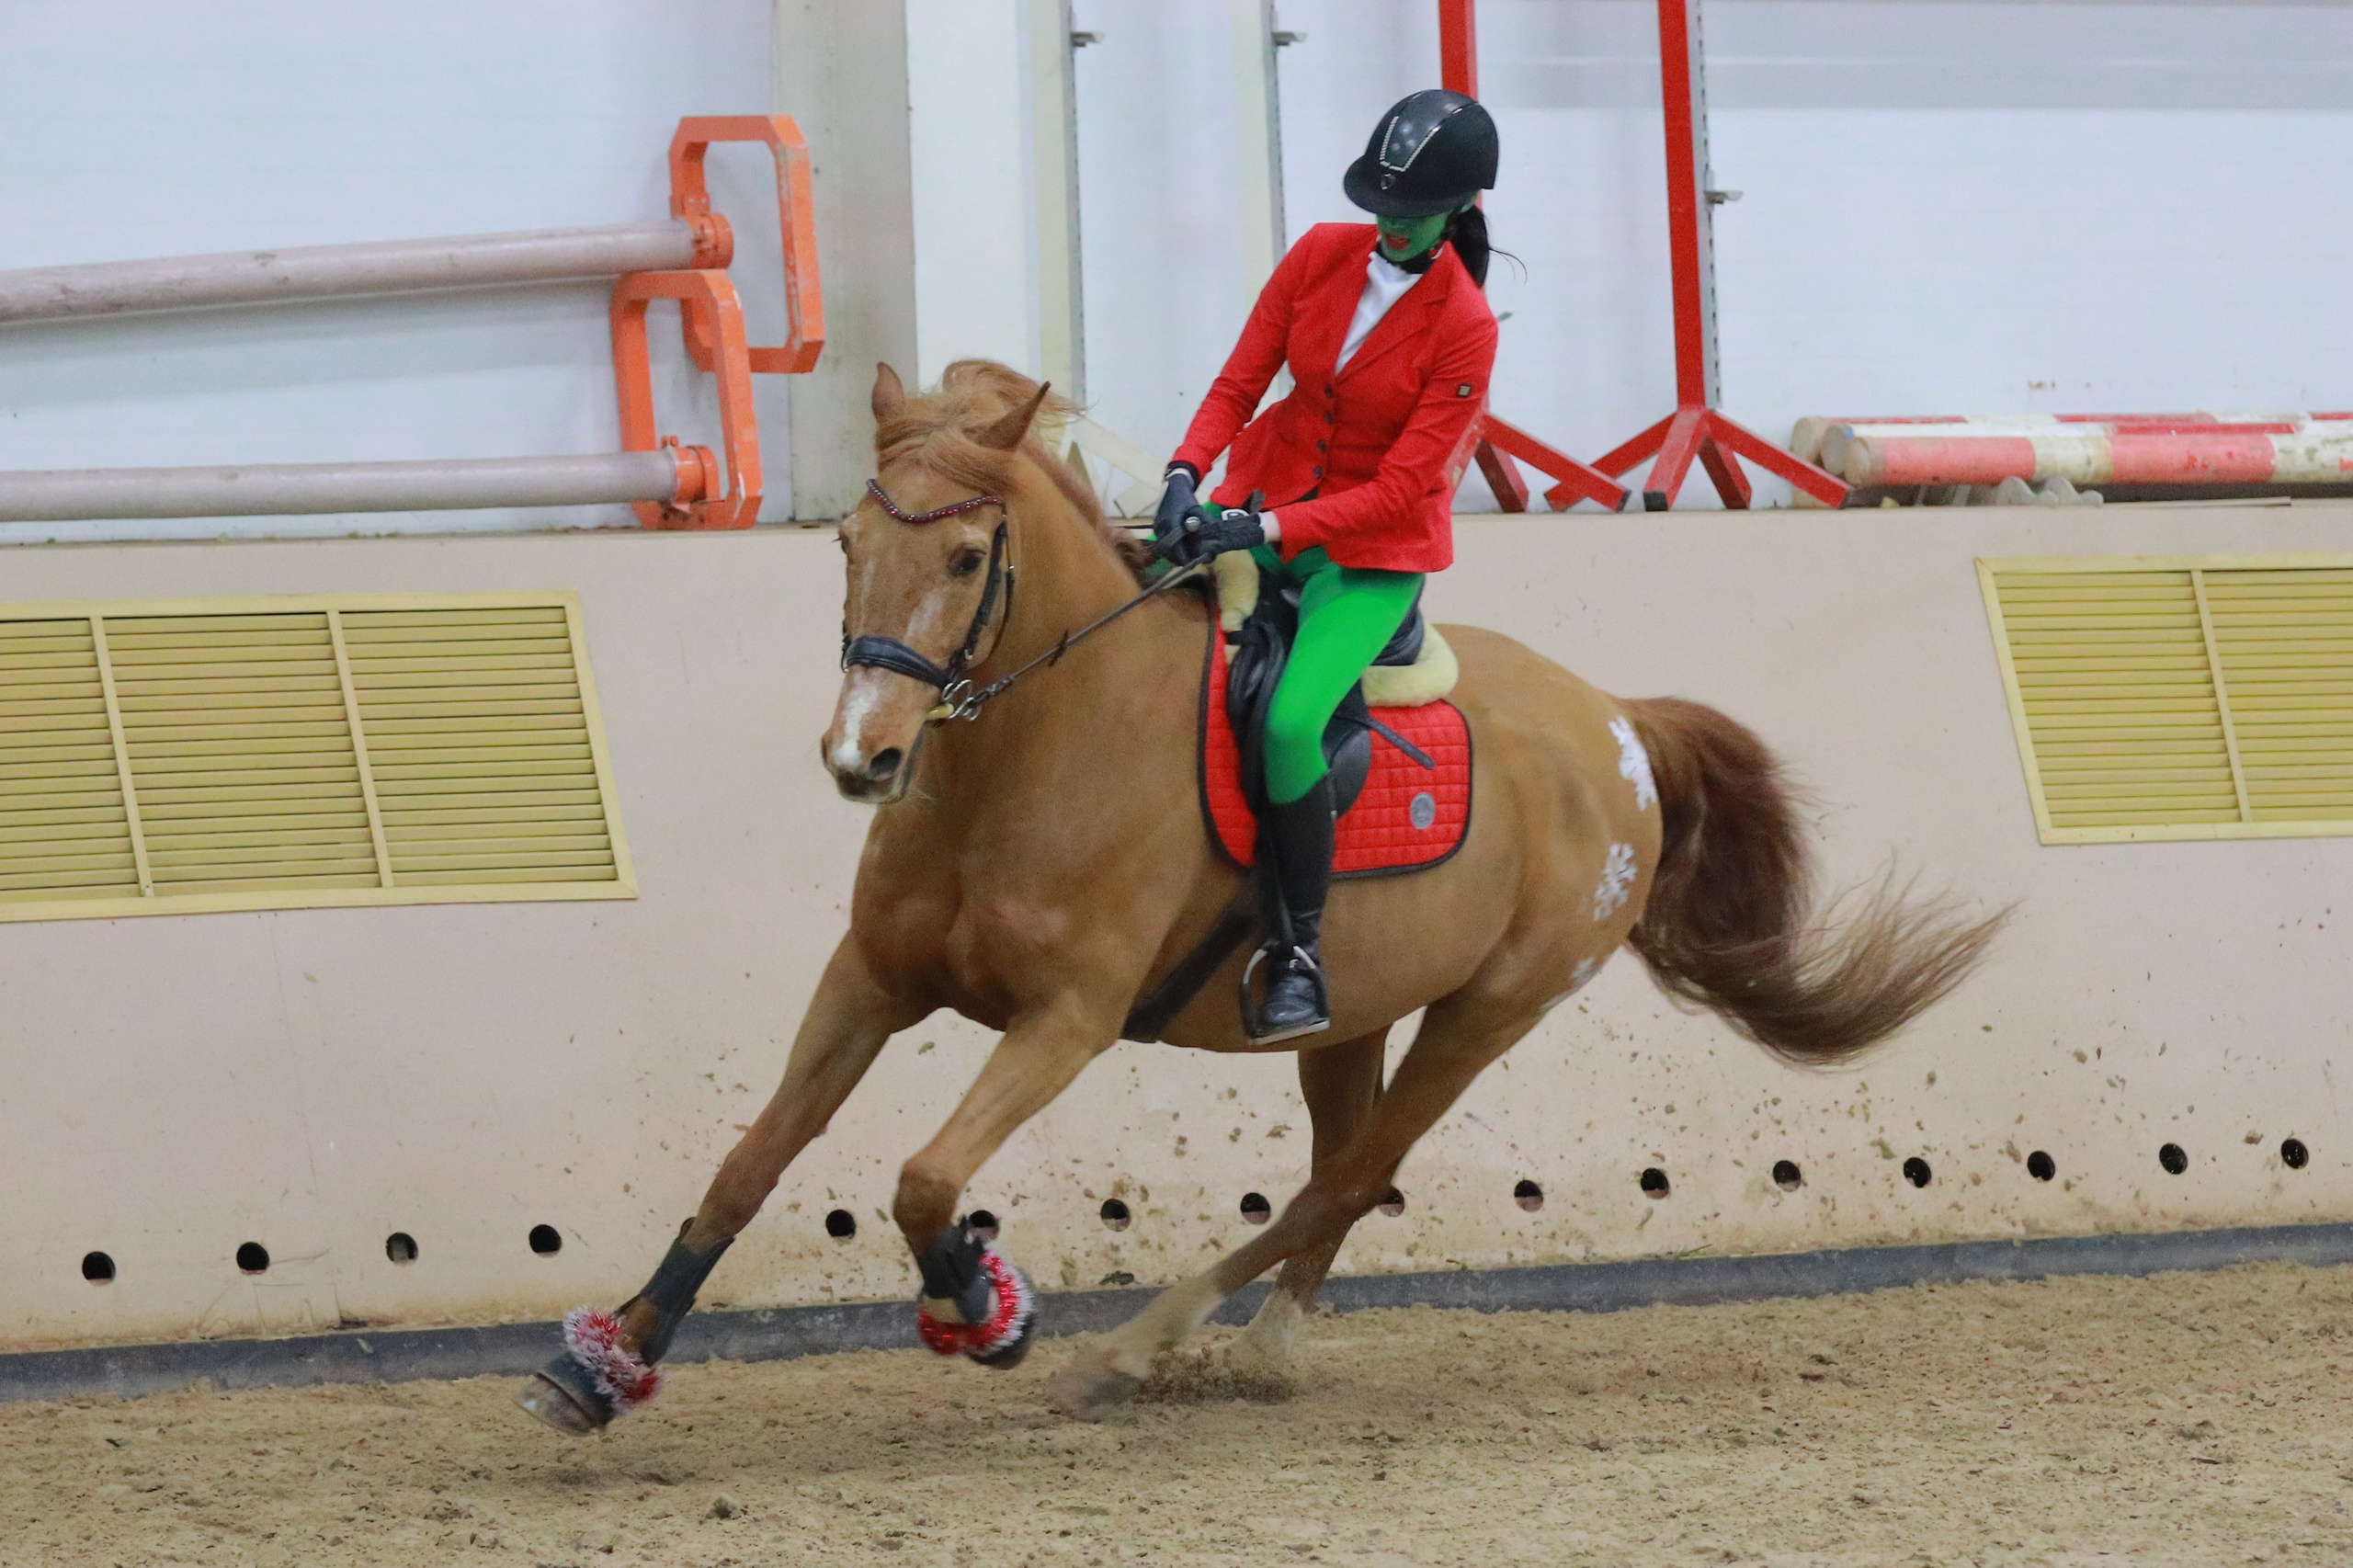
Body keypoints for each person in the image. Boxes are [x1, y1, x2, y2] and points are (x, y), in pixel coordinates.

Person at [1155, 88, 1502, 1043]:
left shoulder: (1466, 325)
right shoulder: (1318, 253)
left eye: (1412, 213)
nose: (1389, 225)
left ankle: (1296, 948)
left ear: (1460, 210)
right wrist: (1187, 474)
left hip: (1365, 556)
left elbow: (1399, 490)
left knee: (1293, 720)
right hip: (1256, 501)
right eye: (1380, 205)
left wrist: (1261, 534)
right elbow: (1239, 380)